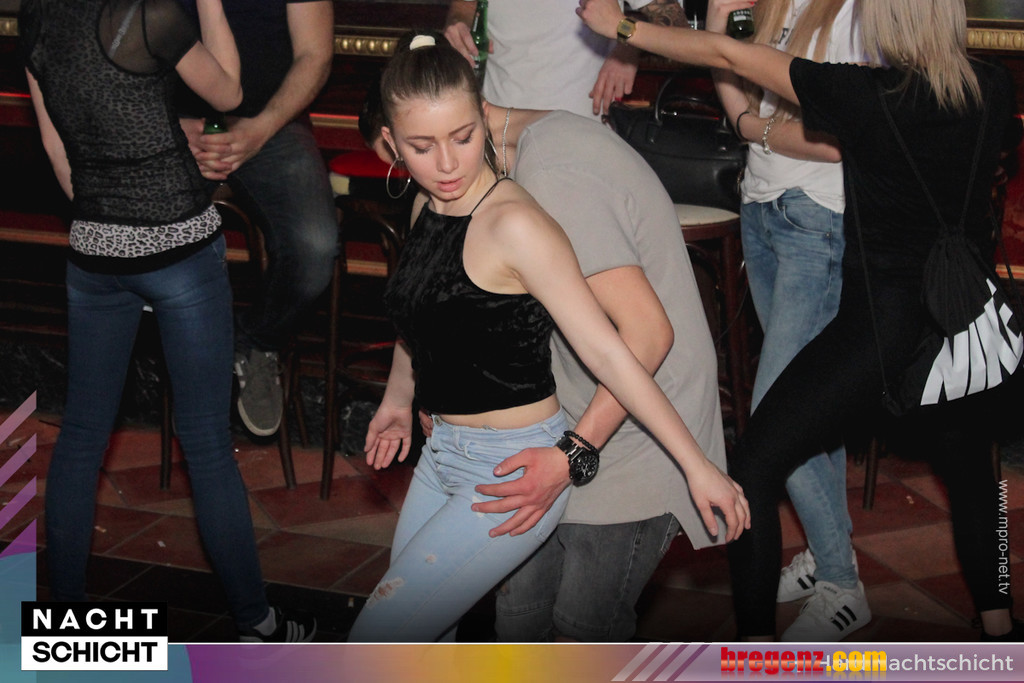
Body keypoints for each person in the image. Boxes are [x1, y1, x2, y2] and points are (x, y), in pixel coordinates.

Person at [579, 0, 1019, 640]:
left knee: (754, 468)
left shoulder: (863, 96)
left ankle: (757, 651)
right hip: (965, 332)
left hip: (880, 336)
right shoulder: (994, 87)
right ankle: (1001, 634)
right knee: (978, 480)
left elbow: (727, 53)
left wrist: (621, 28)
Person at [346, 30, 748, 643]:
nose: (447, 164)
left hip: (509, 465)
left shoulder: (520, 220)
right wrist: (399, 401)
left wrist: (697, 466)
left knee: (378, 637)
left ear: (483, 117)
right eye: (423, 147)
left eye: (462, 137)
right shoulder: (430, 205)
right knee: (431, 639)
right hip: (440, 455)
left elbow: (615, 349)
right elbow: (419, 313)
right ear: (391, 144)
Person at [21, 0, 314, 641]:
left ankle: (66, 624)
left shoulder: (38, 15)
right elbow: (229, 93)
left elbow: (55, 147)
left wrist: (107, 222)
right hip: (178, 248)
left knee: (81, 437)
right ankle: (257, 624)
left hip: (94, 252)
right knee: (205, 444)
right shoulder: (151, 13)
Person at [710, 0, 869, 640]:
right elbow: (732, 82)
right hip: (763, 209)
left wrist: (755, 129)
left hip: (816, 220)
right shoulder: (775, 3)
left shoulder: (854, 14)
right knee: (811, 404)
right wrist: (719, 24)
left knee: (781, 411)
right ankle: (831, 553)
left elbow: (842, 139)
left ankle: (843, 583)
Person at [176, 0, 338, 438]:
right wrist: (164, 124)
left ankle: (255, 342)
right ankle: (191, 365)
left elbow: (315, 54)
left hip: (272, 121)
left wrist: (261, 128)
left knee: (315, 247)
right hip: (174, 125)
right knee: (150, 233)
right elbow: (119, 41)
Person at [444, 0, 688, 119]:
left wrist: (627, 47)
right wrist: (458, 23)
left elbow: (677, 23)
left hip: (582, 130)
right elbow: (464, 5)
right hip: (498, 127)